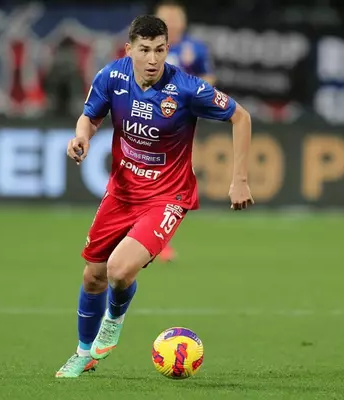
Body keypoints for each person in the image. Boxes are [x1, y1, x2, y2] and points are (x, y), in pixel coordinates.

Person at [55, 15, 253, 378]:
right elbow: (90, 117)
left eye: (159, 50)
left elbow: (241, 117)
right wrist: (81, 137)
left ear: (167, 50)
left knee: (118, 271)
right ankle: (84, 354)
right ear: (129, 49)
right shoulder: (112, 76)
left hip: (167, 196)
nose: (152, 59)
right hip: (121, 192)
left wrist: (239, 179)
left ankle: (113, 320)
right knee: (93, 276)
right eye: (144, 50)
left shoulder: (187, 88)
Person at [154, 0, 216, 262]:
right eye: (165, 18)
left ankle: (158, 238)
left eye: (175, 18)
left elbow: (208, 79)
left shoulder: (195, 48)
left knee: (169, 182)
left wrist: (191, 97)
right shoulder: (149, 48)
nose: (171, 23)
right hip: (148, 121)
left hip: (180, 126)